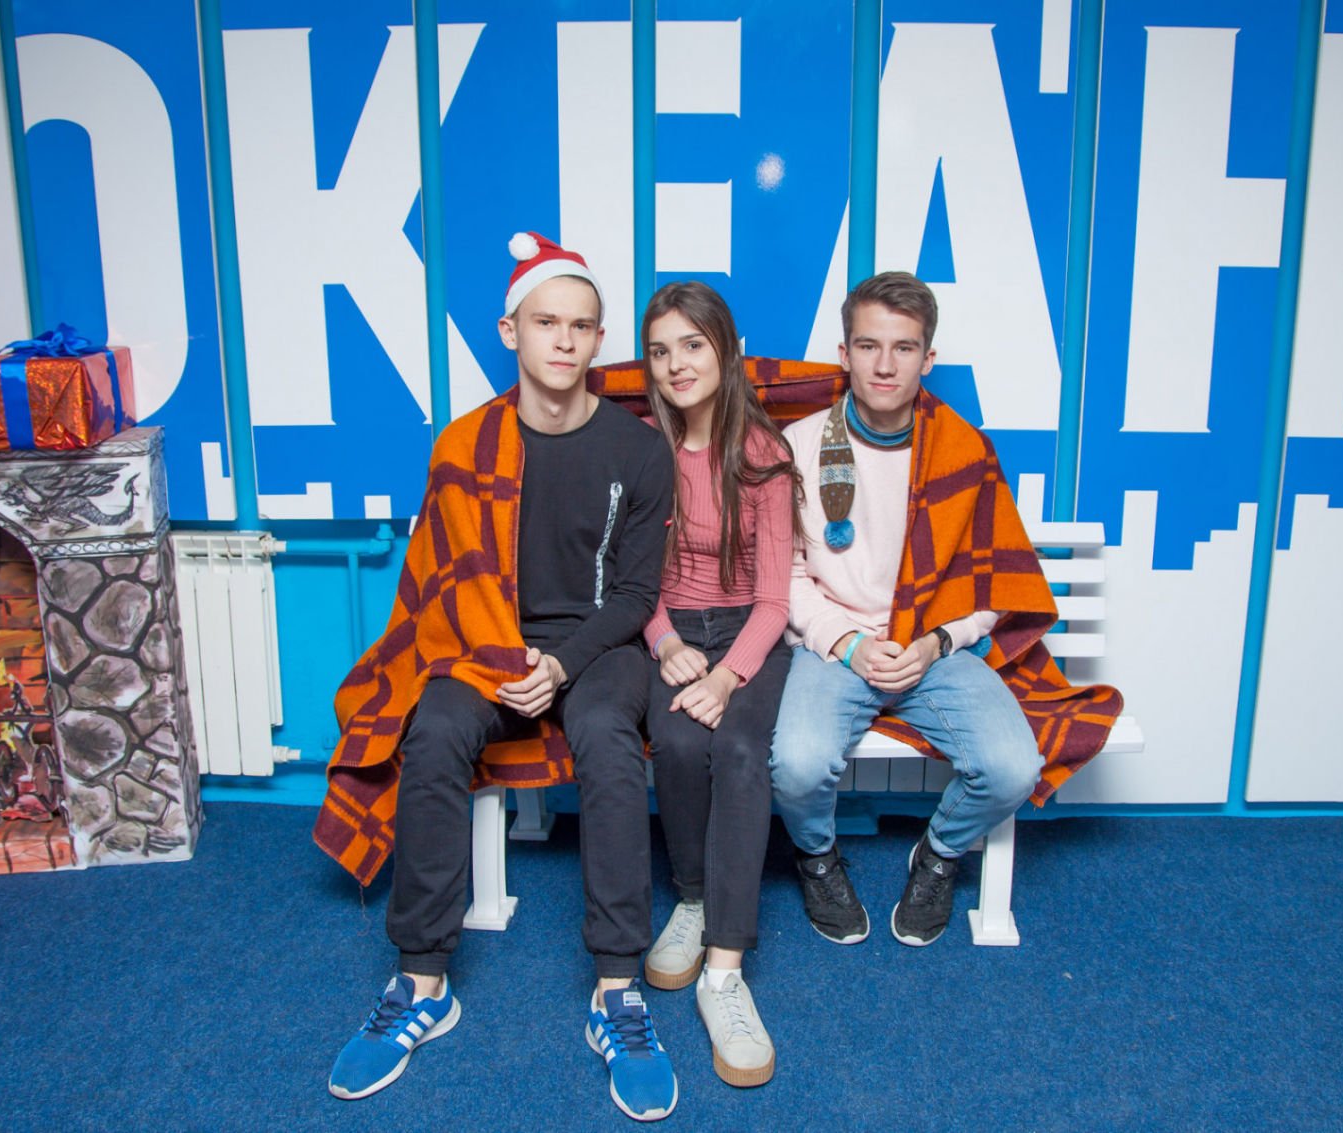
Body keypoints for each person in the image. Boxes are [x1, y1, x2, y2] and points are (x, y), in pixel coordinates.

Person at [316, 233, 679, 1121]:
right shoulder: (464, 445)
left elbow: (637, 595)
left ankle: (617, 986)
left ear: (600, 341)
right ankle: (422, 978)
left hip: (595, 645)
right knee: (435, 728)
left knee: (606, 736)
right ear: (510, 330)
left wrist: (560, 662)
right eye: (546, 322)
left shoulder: (638, 449)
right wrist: (505, 660)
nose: (564, 340)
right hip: (485, 639)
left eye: (582, 326)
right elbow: (443, 586)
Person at [769, 271, 1120, 948]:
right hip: (837, 646)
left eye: (903, 348)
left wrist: (935, 642)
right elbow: (782, 574)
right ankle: (817, 857)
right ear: (843, 353)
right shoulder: (797, 445)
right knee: (797, 765)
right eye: (868, 345)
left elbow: (989, 586)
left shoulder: (964, 449)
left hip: (932, 647)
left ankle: (937, 856)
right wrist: (846, 643)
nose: (884, 364)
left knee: (1014, 766)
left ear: (928, 358)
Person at [636, 282, 799, 1088]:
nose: (676, 364)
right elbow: (631, 576)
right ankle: (693, 898)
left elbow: (774, 600)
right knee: (673, 738)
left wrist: (730, 675)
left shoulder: (764, 454)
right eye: (660, 351)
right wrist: (663, 640)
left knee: (736, 750)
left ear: (728, 352)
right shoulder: (642, 449)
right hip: (671, 629)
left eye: (692, 345)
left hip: (747, 634)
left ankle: (724, 973)